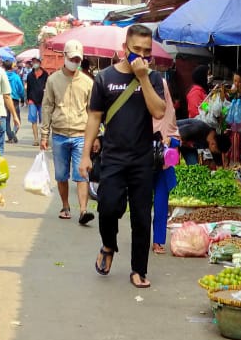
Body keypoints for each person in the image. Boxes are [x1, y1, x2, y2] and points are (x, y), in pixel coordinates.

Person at [79, 24, 166, 289]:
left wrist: (142, 78)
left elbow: (159, 112)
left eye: (147, 51)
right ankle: (108, 244)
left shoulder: (153, 78)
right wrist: (85, 155)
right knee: (108, 208)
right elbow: (94, 117)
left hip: (142, 158)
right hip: (113, 157)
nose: (142, 56)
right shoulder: (105, 78)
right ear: (124, 49)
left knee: (141, 217)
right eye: (136, 49)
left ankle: (139, 269)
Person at [40, 40, 94, 224]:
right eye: (72, 59)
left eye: (78, 60)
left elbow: (93, 112)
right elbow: (47, 106)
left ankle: (83, 211)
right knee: (61, 175)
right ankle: (65, 206)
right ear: (64, 56)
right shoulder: (53, 80)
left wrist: (95, 136)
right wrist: (44, 134)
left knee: (82, 174)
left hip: (81, 134)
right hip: (59, 134)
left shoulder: (87, 82)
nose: (75, 62)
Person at [152, 78, 180, 254]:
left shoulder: (169, 111)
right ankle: (141, 237)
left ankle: (158, 240)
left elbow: (175, 135)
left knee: (161, 201)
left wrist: (170, 140)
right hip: (142, 158)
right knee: (141, 201)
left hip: (163, 161)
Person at [2, 55, 25, 144]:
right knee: (17, 118)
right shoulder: (16, 77)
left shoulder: (2, 76)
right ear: (12, 67)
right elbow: (21, 89)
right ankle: (13, 133)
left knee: (6, 119)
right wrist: (22, 98)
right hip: (15, 100)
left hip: (5, 99)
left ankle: (10, 136)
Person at [25, 58, 49, 146]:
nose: (34, 63)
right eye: (33, 62)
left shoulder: (45, 74)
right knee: (33, 120)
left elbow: (48, 87)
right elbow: (28, 88)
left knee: (44, 121)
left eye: (36, 62)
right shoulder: (30, 75)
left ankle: (44, 138)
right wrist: (27, 99)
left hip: (43, 100)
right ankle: (36, 139)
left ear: (40, 63)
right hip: (32, 100)